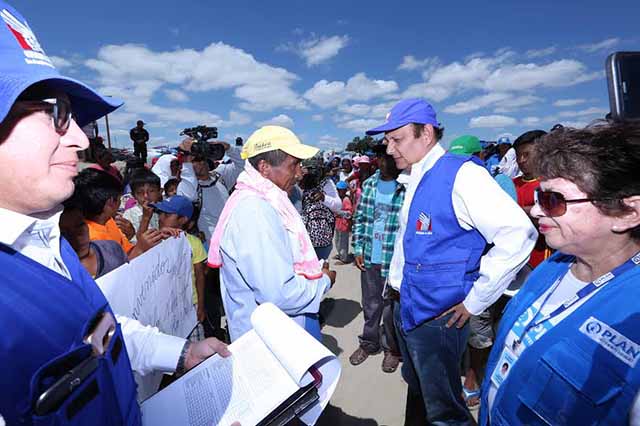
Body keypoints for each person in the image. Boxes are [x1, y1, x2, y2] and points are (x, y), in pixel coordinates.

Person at [0, 3, 231, 424]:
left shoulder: (48, 239)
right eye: (56, 112)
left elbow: (100, 331)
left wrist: (180, 353)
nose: (76, 137)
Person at [367, 98, 536, 425]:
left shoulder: (463, 176)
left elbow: (519, 235)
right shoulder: (415, 176)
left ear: (426, 133)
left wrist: (476, 300)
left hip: (438, 317)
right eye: (387, 140)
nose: (388, 149)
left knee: (445, 410)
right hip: (407, 307)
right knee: (418, 390)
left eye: (396, 139)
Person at [480, 121, 640, 425]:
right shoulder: (550, 268)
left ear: (626, 213)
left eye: (553, 200)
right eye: (539, 197)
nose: (537, 211)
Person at [208, 125, 336, 342]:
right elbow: (279, 294)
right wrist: (324, 281)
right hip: (272, 340)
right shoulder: (255, 211)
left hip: (277, 332)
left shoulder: (266, 201)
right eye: (294, 164)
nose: (299, 173)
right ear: (265, 167)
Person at [350, 146, 405, 373]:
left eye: (387, 157)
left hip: (395, 259)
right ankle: (369, 343)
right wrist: (358, 248)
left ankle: (392, 349)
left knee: (392, 309)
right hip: (372, 256)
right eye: (379, 157)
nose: (382, 162)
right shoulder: (370, 184)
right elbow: (361, 218)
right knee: (371, 303)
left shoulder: (406, 186)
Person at [73, 168, 159, 260]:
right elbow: (117, 269)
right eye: (119, 198)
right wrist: (140, 248)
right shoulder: (90, 239)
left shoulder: (109, 221)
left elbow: (128, 251)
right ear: (111, 202)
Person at [152, 196, 208, 329]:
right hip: (163, 308)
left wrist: (200, 305)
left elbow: (200, 276)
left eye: (167, 214)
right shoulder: (154, 241)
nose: (161, 218)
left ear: (183, 219)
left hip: (189, 305)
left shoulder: (193, 243)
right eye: (160, 213)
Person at [512, 129, 553, 270]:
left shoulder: (553, 184)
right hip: (515, 258)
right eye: (518, 155)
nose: (521, 160)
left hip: (542, 257)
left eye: (526, 154)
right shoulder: (511, 184)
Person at [60, 203, 128, 279]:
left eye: (80, 225)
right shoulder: (58, 272)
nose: (75, 236)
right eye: (64, 233)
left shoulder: (112, 249)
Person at [300, 163, 338, 260]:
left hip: (323, 241)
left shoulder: (327, 183)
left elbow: (338, 205)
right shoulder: (295, 183)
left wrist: (324, 197)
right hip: (306, 241)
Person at [122, 168, 162, 241]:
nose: (146, 196)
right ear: (133, 195)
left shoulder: (165, 211)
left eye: (151, 191)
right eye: (140, 192)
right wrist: (145, 218)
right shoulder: (129, 215)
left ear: (160, 192)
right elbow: (136, 243)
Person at [333, 180, 353, 264]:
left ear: (345, 191)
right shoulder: (338, 199)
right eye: (338, 190)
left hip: (344, 224)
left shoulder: (346, 200)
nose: (339, 192)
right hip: (338, 224)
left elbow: (349, 213)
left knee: (343, 242)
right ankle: (340, 254)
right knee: (337, 240)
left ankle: (344, 258)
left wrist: (339, 212)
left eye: (341, 190)